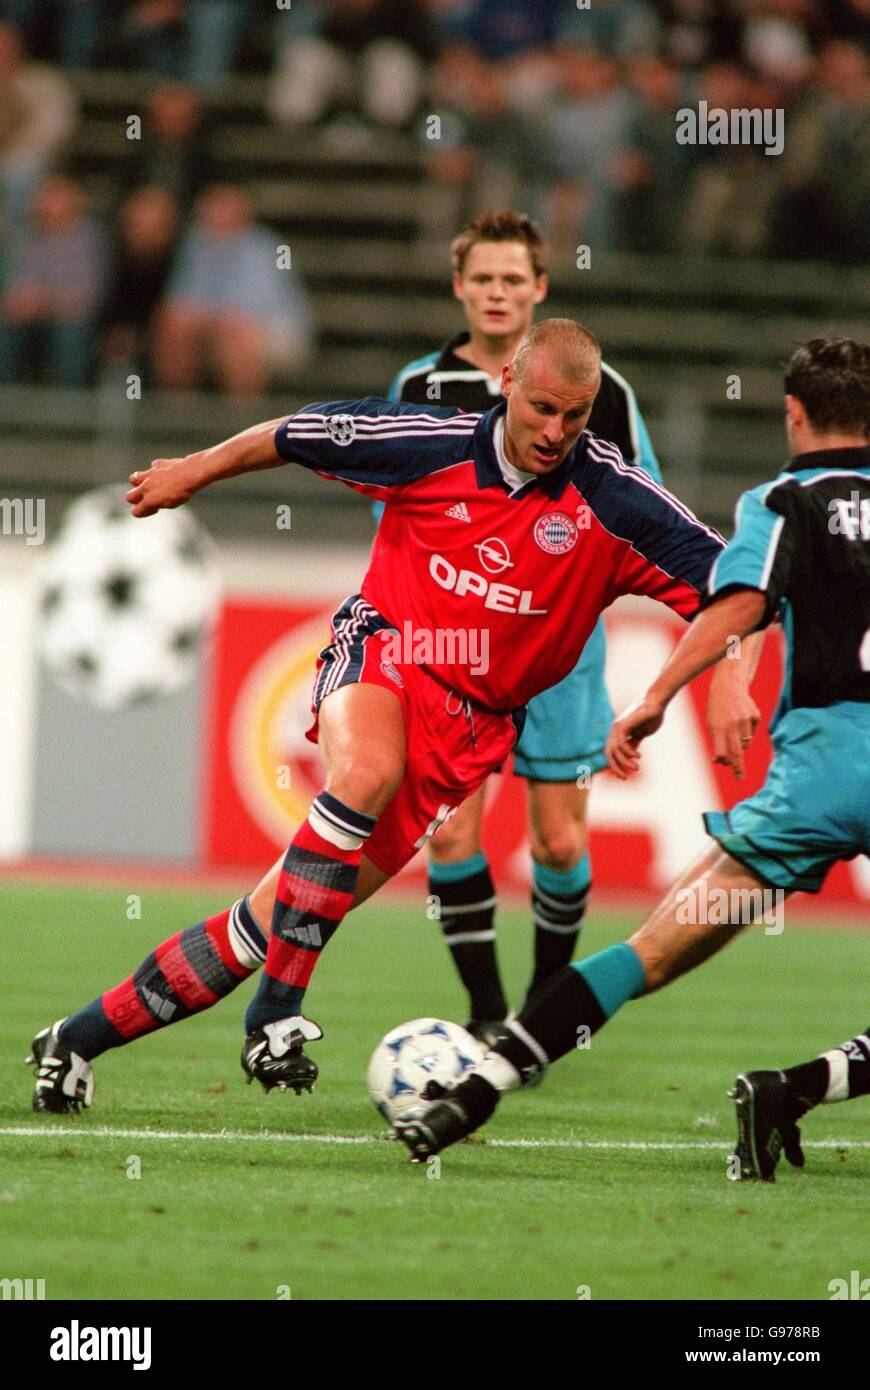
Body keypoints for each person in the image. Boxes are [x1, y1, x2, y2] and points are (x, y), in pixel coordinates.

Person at [28, 316, 749, 1116]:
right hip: (386, 650)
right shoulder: (426, 440)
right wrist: (194, 471)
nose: (555, 432)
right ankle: (277, 1013)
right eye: (542, 408)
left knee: (271, 923)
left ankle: (75, 1039)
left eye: (574, 417)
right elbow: (296, 432)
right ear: (509, 382)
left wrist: (727, 676)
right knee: (366, 771)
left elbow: (736, 583)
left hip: (469, 732)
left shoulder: (614, 502)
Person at [393, 336, 870, 1183]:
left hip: (820, 782)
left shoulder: (784, 499)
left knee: (653, 950)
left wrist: (657, 694)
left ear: (793, 415)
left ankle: (485, 1085)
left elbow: (742, 602)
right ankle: (801, 1085)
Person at [383, 210, 662, 1042]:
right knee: (451, 831)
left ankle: (543, 1014)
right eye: (484, 278)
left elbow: (642, 509)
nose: (498, 292)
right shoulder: (422, 388)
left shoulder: (599, 389)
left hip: (561, 653)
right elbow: (394, 520)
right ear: (459, 285)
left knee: (557, 845)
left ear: (540, 288)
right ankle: (482, 1016)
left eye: (514, 279)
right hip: (455, 654)